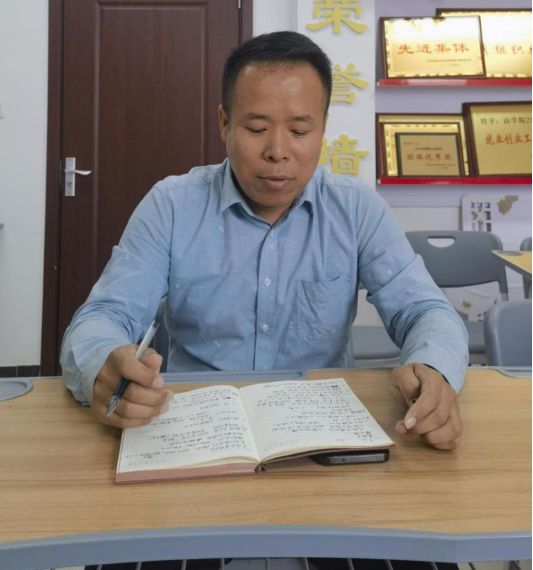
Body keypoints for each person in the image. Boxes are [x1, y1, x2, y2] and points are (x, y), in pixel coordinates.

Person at [64, 32, 467, 570]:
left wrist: (434, 369)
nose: (278, 150)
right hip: (192, 434)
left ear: (322, 128)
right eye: (256, 128)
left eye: (300, 130)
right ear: (224, 124)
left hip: (323, 442)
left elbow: (424, 310)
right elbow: (103, 317)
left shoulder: (355, 210)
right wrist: (102, 367)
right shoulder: (172, 206)